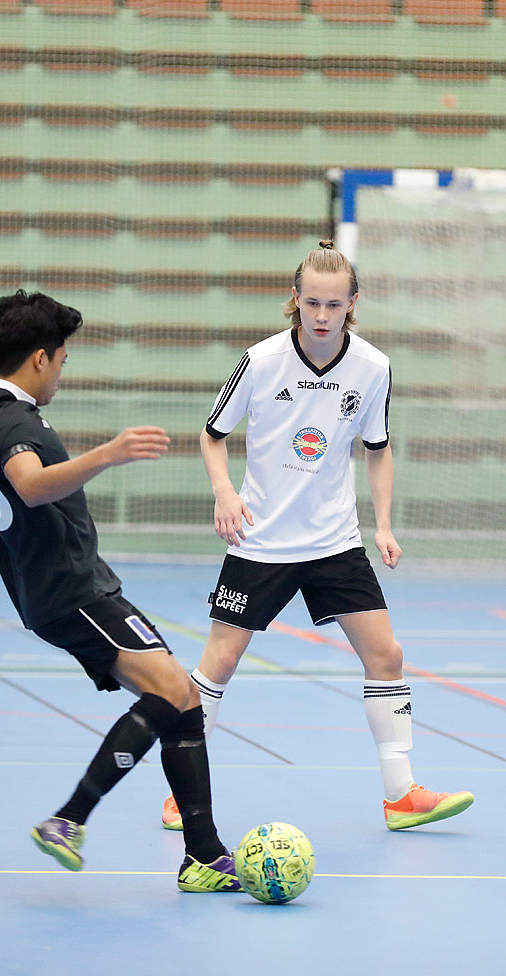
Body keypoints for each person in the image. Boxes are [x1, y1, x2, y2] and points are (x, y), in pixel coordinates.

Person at [0, 289, 241, 892]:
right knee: (176, 692)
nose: (63, 373)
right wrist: (109, 453)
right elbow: (30, 485)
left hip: (53, 593)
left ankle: (202, 853)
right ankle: (69, 820)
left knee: (181, 702)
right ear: (40, 358)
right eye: (64, 359)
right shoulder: (14, 418)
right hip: (73, 589)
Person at [161, 241, 475, 834]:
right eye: (312, 303)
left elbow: (377, 450)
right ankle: (183, 791)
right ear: (295, 302)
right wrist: (225, 494)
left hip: (334, 539)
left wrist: (382, 524)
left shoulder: (373, 368)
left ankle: (401, 793)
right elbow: (211, 434)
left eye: (335, 304)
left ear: (353, 303)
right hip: (261, 541)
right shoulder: (260, 362)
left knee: (387, 657)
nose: (323, 315)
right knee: (219, 662)